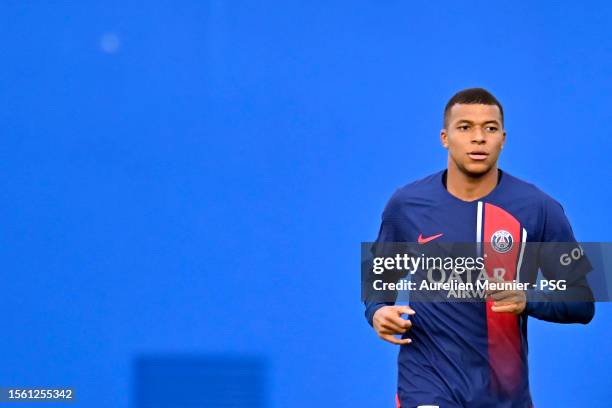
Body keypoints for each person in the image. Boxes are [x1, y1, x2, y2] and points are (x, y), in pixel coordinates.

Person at [364, 88, 595, 408]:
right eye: (465, 127)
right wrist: (377, 312)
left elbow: (583, 302)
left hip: (503, 395)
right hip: (426, 382)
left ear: (503, 138)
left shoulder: (539, 208)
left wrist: (528, 299)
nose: (478, 138)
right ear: (445, 137)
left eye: (489, 128)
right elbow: (379, 283)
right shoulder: (405, 205)